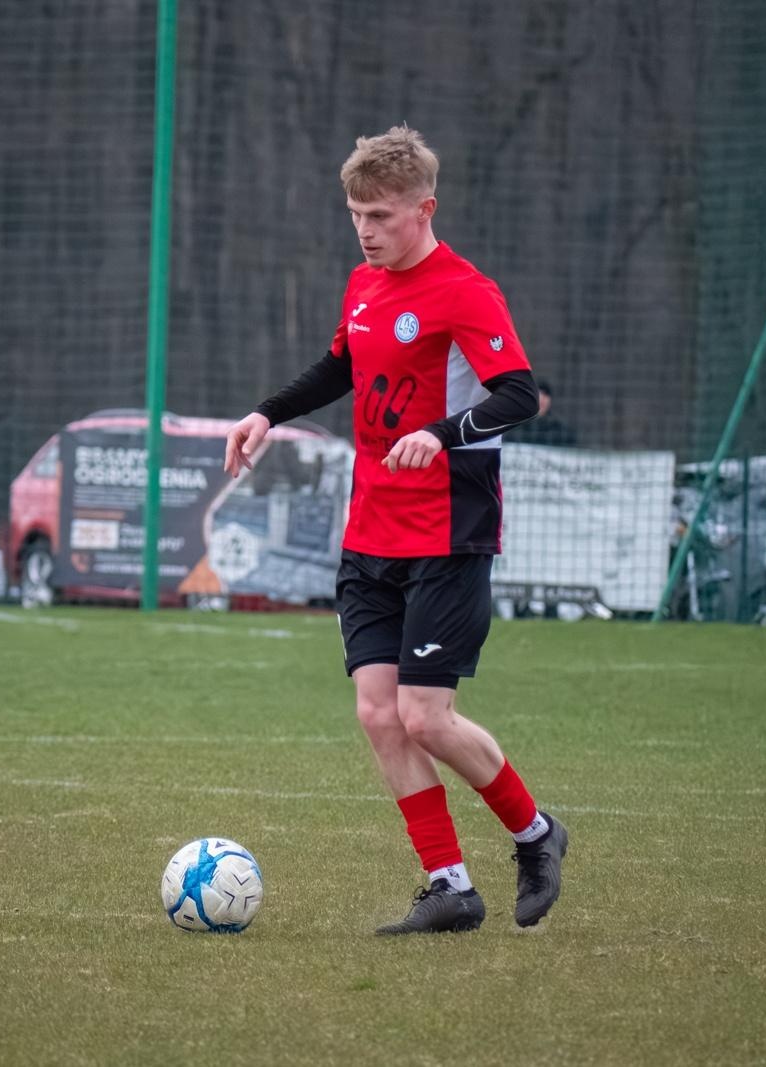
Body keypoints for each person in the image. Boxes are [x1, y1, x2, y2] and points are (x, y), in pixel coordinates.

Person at [224, 126, 567, 934]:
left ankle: (537, 834)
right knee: (378, 713)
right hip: (370, 530)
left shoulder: (466, 291)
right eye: (355, 214)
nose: (366, 230)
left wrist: (443, 433)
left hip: (449, 530)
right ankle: (450, 885)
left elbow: (517, 394)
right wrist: (266, 412)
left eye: (380, 214)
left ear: (424, 209)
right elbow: (343, 366)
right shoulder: (363, 285)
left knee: (425, 716)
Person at [503, 378, 576, 446]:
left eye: (545, 394)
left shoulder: (561, 432)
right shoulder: (516, 430)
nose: (541, 399)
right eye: (537, 394)